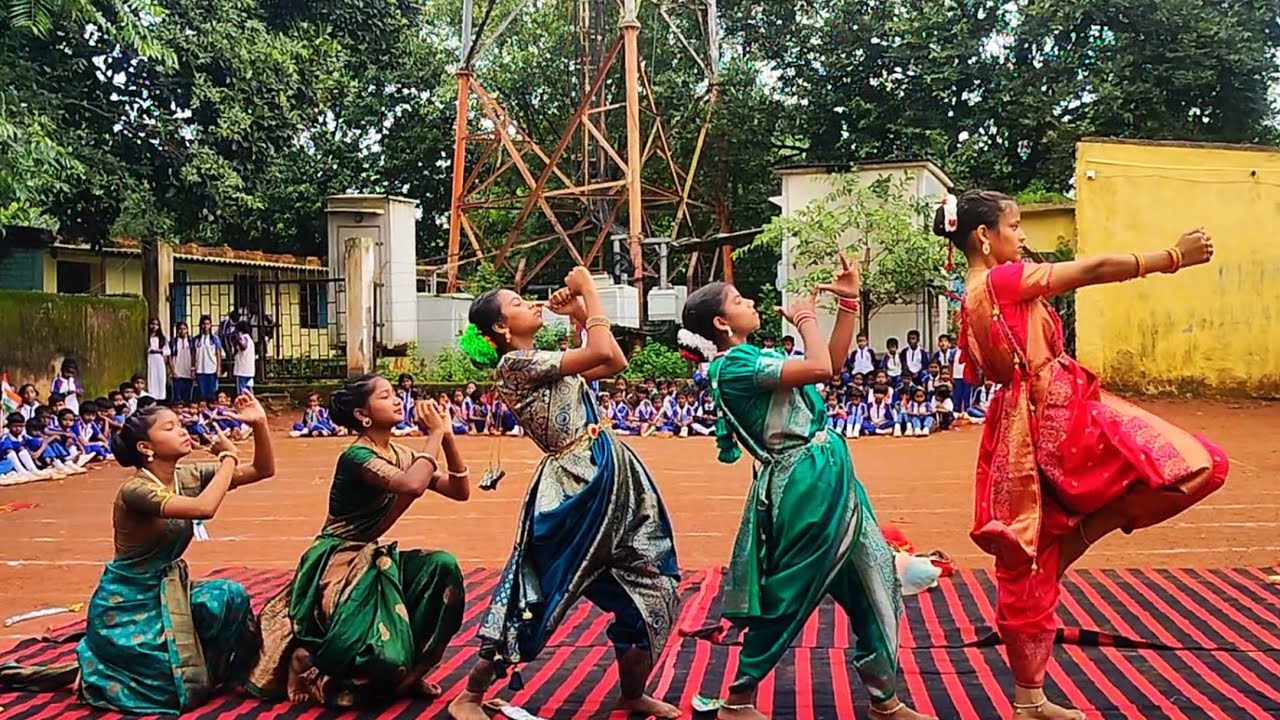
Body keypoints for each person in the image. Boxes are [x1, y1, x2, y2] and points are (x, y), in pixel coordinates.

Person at [934, 190, 1229, 720]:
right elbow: (1089, 269)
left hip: (1016, 431)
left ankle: (1030, 700)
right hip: (1062, 414)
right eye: (1016, 226)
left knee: (1027, 561)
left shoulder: (972, 294)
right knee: (1202, 465)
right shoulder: (1002, 280)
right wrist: (1172, 258)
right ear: (984, 236)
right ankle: (1086, 533)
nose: (1022, 237)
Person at [676, 255, 932, 720]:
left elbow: (829, 360)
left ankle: (884, 699)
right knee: (791, 592)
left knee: (875, 578)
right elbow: (820, 369)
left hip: (826, 471)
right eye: (739, 300)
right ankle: (738, 697)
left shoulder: (758, 357)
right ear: (720, 322)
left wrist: (849, 302)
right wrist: (806, 317)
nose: (750, 301)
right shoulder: (732, 369)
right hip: (803, 483)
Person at [449, 267, 680, 720]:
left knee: (651, 585)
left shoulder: (544, 359)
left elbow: (613, 361)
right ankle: (471, 694)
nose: (529, 304)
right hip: (574, 488)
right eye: (517, 304)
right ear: (500, 328)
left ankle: (632, 696)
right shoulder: (514, 365)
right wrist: (590, 293)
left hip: (607, 475)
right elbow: (598, 350)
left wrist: (579, 314)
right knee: (539, 592)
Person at [0, 397, 275, 713]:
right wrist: (228, 457)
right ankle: (101, 670)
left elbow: (262, 469)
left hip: (167, 589)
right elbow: (204, 508)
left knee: (228, 596)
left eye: (181, 424)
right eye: (170, 427)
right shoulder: (136, 490)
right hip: (127, 602)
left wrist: (259, 424)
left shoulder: (188, 475)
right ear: (146, 447)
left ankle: (209, 673)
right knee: (162, 688)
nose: (183, 431)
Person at [246, 375, 469, 708]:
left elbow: (459, 491)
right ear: (364, 416)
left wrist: (447, 436)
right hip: (336, 562)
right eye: (386, 396)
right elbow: (412, 485)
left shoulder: (399, 452)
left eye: (396, 395)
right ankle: (309, 664)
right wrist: (434, 435)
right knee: (379, 657)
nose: (397, 400)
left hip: (370, 556)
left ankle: (408, 676)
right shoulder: (356, 457)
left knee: (442, 566)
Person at [145, 317, 171, 401]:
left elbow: (168, 351)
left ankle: (161, 398)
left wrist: (160, 351)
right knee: (151, 378)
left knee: (160, 378)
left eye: (156, 324)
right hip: (150, 359)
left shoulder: (162, 338)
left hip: (159, 360)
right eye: (152, 324)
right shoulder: (146, 337)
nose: (154, 326)